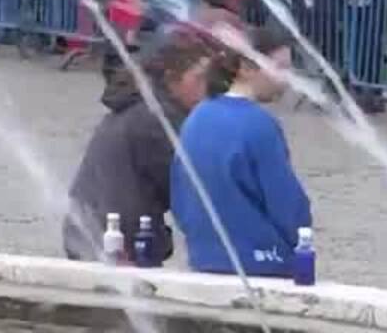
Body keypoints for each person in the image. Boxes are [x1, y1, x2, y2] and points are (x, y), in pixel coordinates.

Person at [63, 32, 219, 264]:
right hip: (122, 243)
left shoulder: (133, 104)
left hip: (88, 230)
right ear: (171, 77)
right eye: (198, 78)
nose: (205, 89)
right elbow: (188, 188)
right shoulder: (160, 118)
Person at [170, 25, 311, 278]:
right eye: (280, 68)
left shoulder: (197, 117)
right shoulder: (260, 124)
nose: (286, 79)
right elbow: (286, 204)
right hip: (261, 261)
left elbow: (181, 193)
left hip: (204, 256)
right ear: (246, 68)